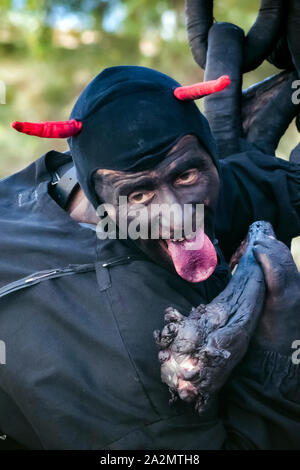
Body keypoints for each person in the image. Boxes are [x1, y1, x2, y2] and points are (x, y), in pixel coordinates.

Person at [0, 65, 299, 450]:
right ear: (98, 196)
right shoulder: (126, 370)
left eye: (186, 176)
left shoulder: (65, 179)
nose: (177, 215)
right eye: (140, 195)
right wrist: (277, 360)